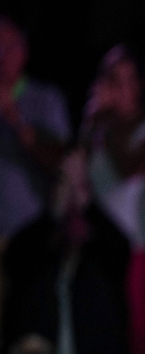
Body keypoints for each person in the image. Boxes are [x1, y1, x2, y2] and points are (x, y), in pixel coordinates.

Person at [1, 150, 132, 354]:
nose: (72, 199)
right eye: (64, 184)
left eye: (81, 185)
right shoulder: (38, 258)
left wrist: (88, 205)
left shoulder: (100, 259)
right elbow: (16, 259)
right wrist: (54, 212)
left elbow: (121, 250)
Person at [81, 45, 145, 354]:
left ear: (140, 84)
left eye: (127, 80)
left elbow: (128, 167)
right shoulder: (97, 127)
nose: (119, 89)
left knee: (144, 339)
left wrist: (104, 123)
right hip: (100, 247)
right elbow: (78, 172)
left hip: (141, 246)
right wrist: (91, 124)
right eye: (112, 80)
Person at [0, 16, 71, 241]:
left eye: (10, 46)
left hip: (30, 234)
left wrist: (16, 119)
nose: (2, 55)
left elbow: (61, 163)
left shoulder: (47, 99)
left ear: (24, 52)